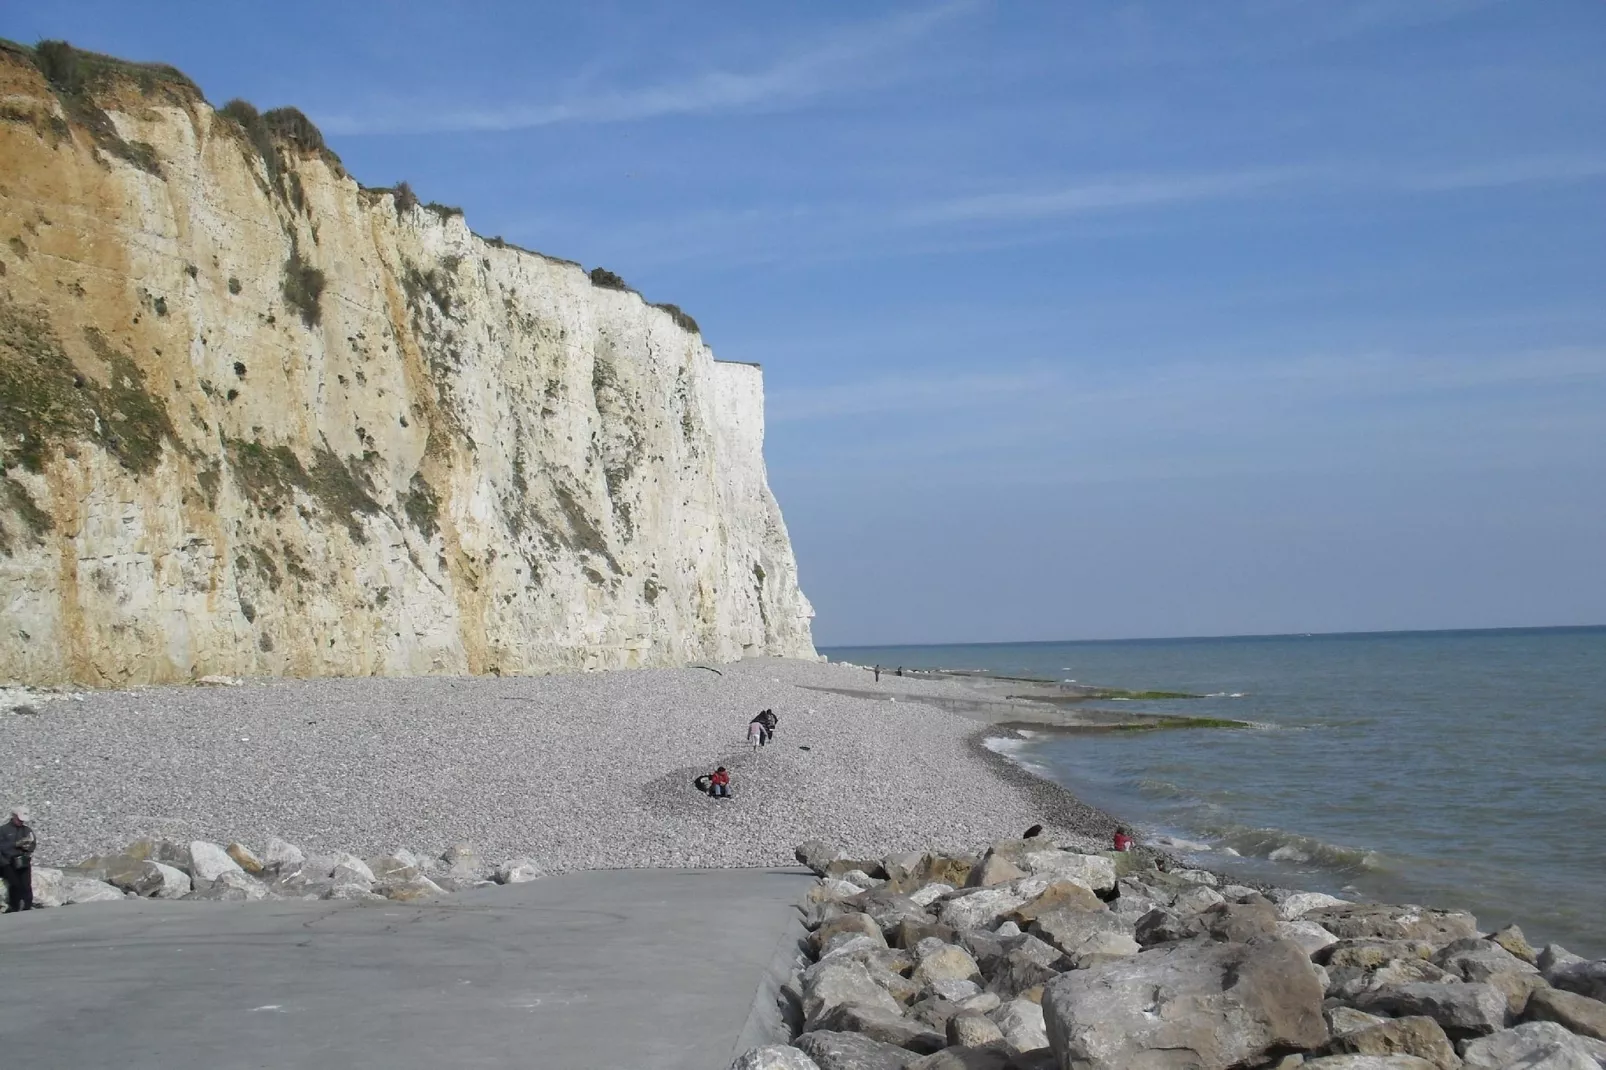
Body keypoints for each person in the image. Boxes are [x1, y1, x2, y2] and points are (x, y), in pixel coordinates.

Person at [1, 805, 36, 913]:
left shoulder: (27, 830)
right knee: (15, 884)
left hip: (22, 861)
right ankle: (14, 906)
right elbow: (2, 847)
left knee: (26, 885)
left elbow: (33, 844)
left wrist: (28, 847)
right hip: (7, 862)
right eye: (19, 820)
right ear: (14, 816)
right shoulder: (3, 830)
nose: (21, 823)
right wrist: (15, 844)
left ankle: (27, 906)